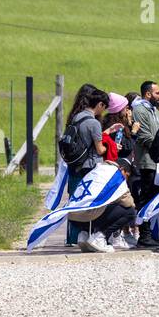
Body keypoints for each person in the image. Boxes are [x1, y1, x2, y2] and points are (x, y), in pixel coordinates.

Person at [59, 84, 108, 248]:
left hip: (74, 164)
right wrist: (110, 146)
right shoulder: (94, 123)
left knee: (74, 200)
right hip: (89, 167)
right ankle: (85, 234)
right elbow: (100, 149)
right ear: (99, 104)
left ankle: (73, 236)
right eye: (104, 107)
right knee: (89, 202)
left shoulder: (76, 117)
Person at [130, 81, 159, 249]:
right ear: (148, 94)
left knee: (154, 196)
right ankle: (144, 235)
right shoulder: (140, 110)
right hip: (147, 160)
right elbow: (145, 136)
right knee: (146, 197)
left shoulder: (155, 111)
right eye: (158, 93)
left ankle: (150, 234)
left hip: (157, 160)